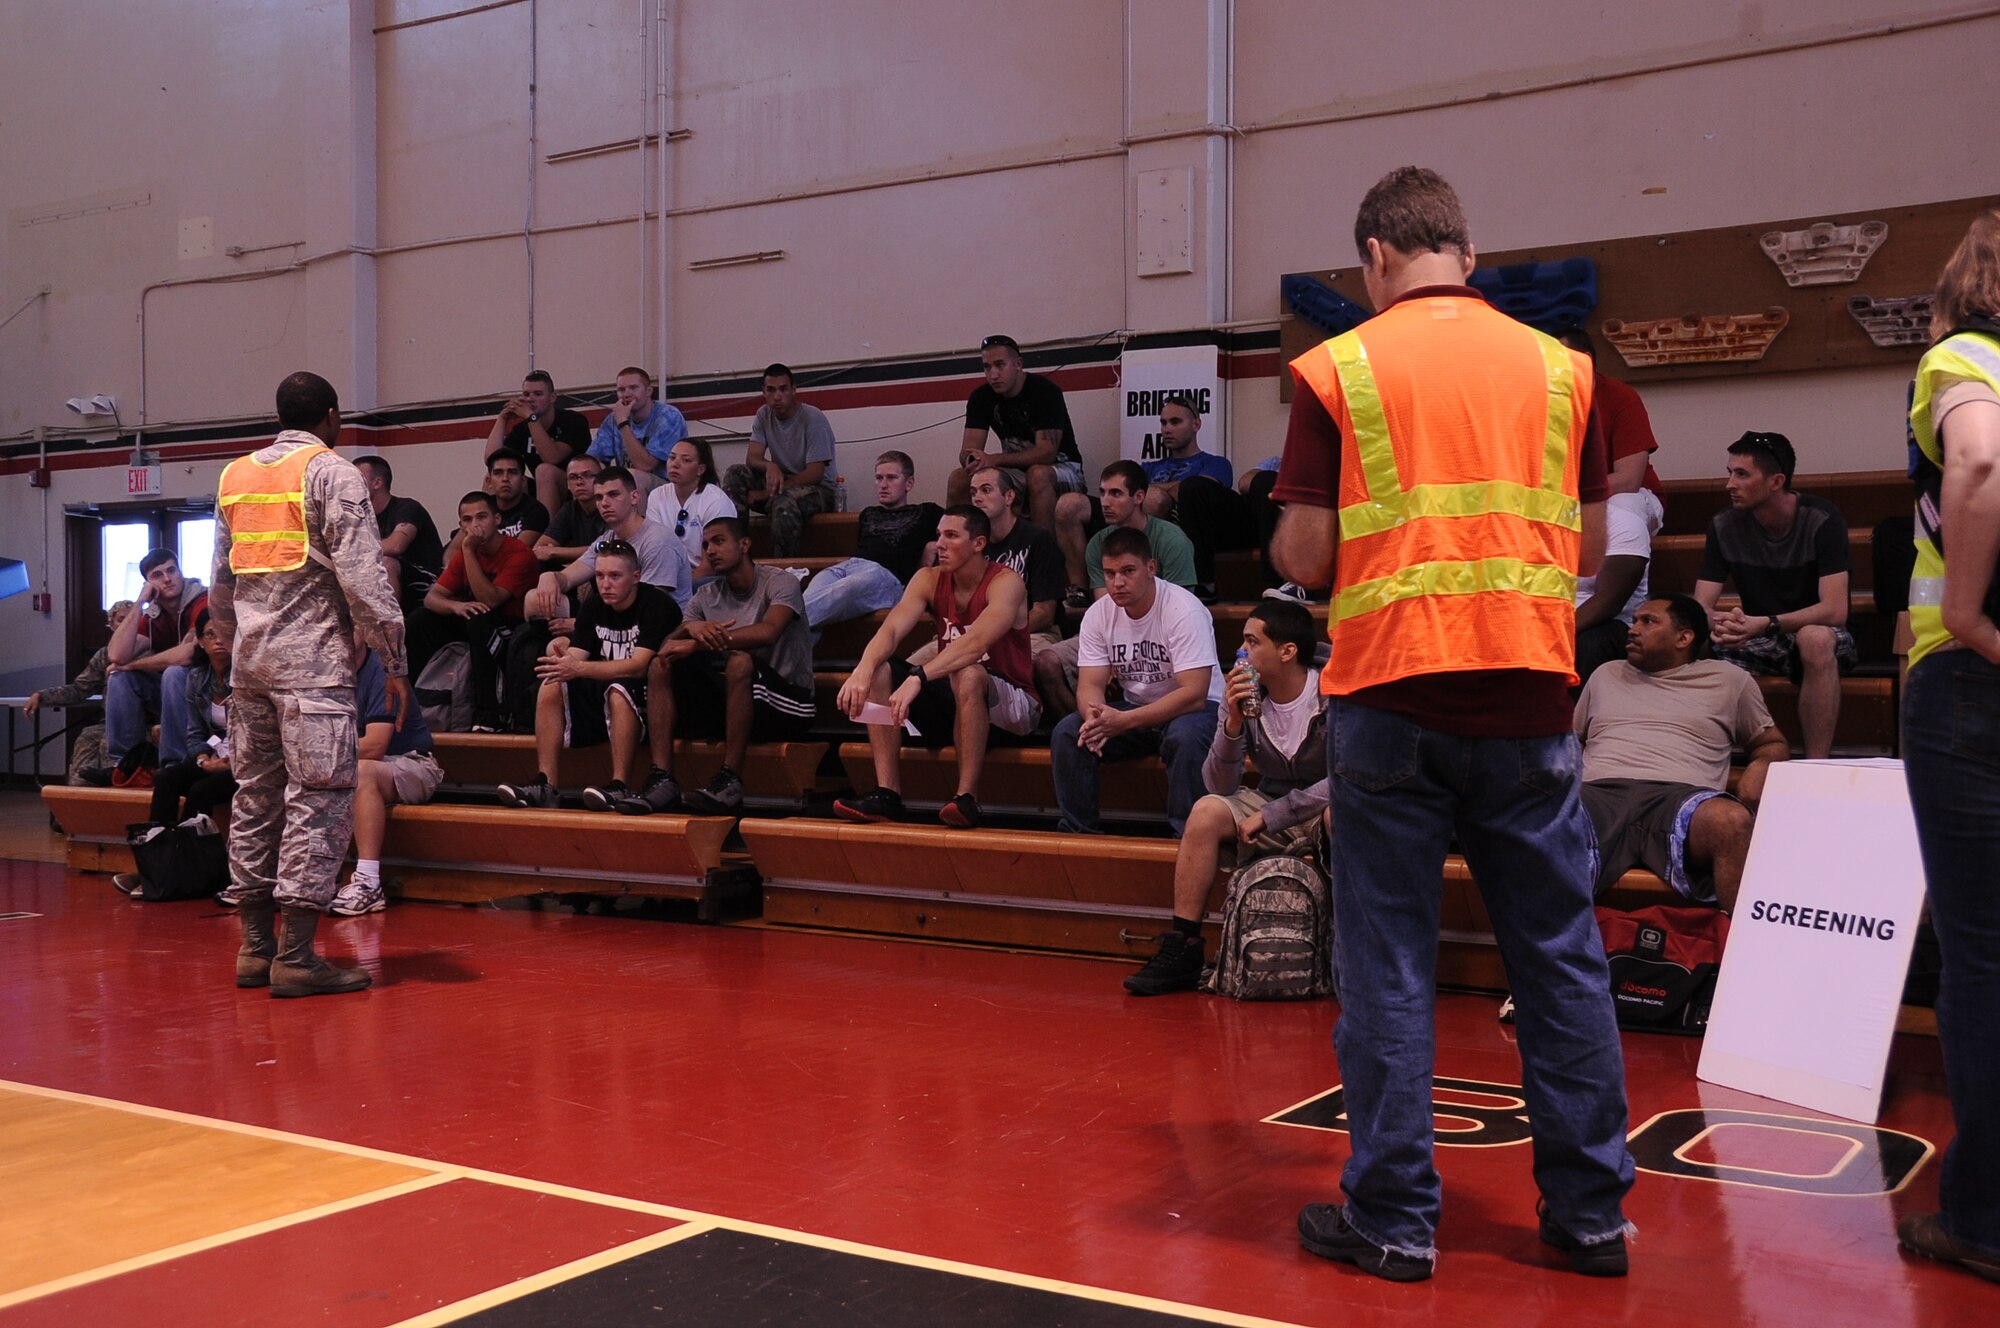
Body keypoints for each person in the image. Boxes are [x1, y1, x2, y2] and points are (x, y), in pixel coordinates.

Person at [1272, 167, 1631, 1281]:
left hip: (1390, 697)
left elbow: (1305, 557)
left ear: (1374, 259)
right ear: (1464, 255)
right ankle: (1587, 1219)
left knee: (1388, 963)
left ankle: (1391, 1219)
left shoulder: (1337, 368)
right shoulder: (1566, 371)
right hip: (1527, 693)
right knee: (1560, 960)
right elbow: (1577, 549)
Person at [210, 370, 409, 998]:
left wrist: (231, 648)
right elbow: (366, 582)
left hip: (250, 670)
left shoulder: (235, 475)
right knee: (317, 804)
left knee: (255, 800)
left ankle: (253, 949)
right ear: (330, 416)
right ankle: (296, 957)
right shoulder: (330, 471)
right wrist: (395, 662)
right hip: (314, 674)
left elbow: (220, 584)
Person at [1896, 206, 2000, 1284]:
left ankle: (1981, 1216)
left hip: (1973, 681)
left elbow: (1975, 464)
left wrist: (1966, 613)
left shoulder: (1962, 357)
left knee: (1982, 955)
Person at [1123, 598, 1327, 995]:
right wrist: (1232, 725)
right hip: (1271, 801)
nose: (1241, 653)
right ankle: (1184, 945)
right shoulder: (1244, 695)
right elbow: (1218, 784)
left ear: (1287, 651)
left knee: (1348, 813)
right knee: (1205, 811)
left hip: (1324, 804)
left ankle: (1352, 948)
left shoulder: (1333, 693)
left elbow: (1344, 778)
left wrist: (1273, 815)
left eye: (1252, 643)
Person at [1575, 595, 1788, 913]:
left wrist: (1761, 766)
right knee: (1539, 820)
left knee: (1730, 821)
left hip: (1681, 798)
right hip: (1600, 794)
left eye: (1648, 621)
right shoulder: (1605, 674)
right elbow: (1569, 739)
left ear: (1684, 637)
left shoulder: (1729, 681)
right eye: (1634, 621)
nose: (1633, 630)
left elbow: (1771, 743)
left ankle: (1739, 952)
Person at [832, 505, 1038, 829]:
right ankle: (888, 794)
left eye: (951, 536)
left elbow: (977, 643)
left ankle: (966, 799)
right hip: (957, 699)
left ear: (979, 543)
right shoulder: (928, 578)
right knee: (880, 670)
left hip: (1014, 707)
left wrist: (920, 676)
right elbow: (892, 630)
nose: (939, 543)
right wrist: (862, 669)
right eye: (939, 535)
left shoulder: (1006, 582)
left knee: (967, 672)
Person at [614, 517, 815, 815]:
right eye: (706, 544)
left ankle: (730, 778)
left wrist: (697, 642)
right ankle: (662, 778)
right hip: (737, 702)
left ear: (744, 544)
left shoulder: (779, 581)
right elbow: (668, 645)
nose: (710, 550)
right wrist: (690, 630)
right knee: (661, 665)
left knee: (739, 662)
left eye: (719, 541)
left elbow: (769, 631)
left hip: (788, 703)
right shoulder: (705, 595)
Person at [1693, 430, 1856, 758]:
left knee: (1816, 638)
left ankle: (1816, 765)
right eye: (1730, 473)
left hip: (1813, 634)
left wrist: (1764, 623)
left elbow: (1835, 610)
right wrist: (1722, 624)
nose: (1730, 484)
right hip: (1758, 636)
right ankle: (1702, 761)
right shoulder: (1724, 526)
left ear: (1776, 481)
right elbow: (1699, 607)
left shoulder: (1821, 519)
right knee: (1687, 638)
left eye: (1742, 474)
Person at [1051, 526, 1220, 836]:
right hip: (1135, 707)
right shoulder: (1099, 614)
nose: (1117, 582)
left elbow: (1194, 693)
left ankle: (1189, 838)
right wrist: (1095, 718)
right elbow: (1090, 683)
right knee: (1068, 733)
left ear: (1151, 568)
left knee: (1186, 737)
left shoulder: (1183, 609)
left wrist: (1123, 721)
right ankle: (1079, 836)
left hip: (1196, 709)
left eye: (1128, 571)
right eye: (1110, 573)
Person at [496, 542, 680, 812]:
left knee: (619, 689)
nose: (605, 584)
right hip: (604, 685)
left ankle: (619, 785)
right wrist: (563, 656)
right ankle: (546, 784)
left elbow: (638, 666)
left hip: (651, 694)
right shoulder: (595, 604)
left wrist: (578, 668)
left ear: (636, 576)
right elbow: (576, 657)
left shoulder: (656, 604)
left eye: (615, 576)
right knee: (553, 681)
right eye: (600, 576)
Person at [1036, 462, 1198, 719]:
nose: (1105, 502)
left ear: (1139, 497)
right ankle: (1089, 726)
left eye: (1115, 493)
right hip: (1115, 632)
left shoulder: (1172, 539)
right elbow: (1107, 604)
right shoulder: (1098, 543)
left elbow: (1181, 605)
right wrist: (1111, 653)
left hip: (1161, 634)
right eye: (1102, 493)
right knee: (1046, 662)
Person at [111, 610, 239, 897]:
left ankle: (187, 872)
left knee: (200, 791)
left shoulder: (245, 677)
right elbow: (195, 733)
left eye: (224, 634)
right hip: (214, 757)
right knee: (167, 778)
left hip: (246, 761)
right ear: (201, 643)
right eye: (210, 634)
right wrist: (203, 760)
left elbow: (255, 733)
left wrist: (226, 763)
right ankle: (154, 868)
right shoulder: (197, 679)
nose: (218, 641)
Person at [408, 492, 542, 732]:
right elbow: (432, 598)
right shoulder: (465, 553)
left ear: (497, 519)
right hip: (477, 620)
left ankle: (489, 714)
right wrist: (456, 606)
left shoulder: (520, 554)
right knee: (420, 620)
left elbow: (491, 600)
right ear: (460, 525)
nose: (475, 525)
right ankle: (414, 704)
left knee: (477, 618)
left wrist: (468, 551)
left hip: (513, 629)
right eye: (467, 520)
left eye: (482, 517)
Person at [330, 638, 442, 916]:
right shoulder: (326, 674)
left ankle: (368, 882)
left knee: (363, 771)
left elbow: (376, 746)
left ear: (364, 632)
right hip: (350, 762)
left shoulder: (381, 671)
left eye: (352, 622)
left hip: (412, 762)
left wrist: (318, 752)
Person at [947, 334, 1085, 531]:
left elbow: (1046, 453)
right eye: (987, 367)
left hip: (1063, 467)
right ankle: (960, 549)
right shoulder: (980, 397)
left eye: (1000, 365)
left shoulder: (1045, 391)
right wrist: (974, 460)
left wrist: (994, 460)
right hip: (1016, 471)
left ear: (1018, 364)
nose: (993, 375)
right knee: (959, 478)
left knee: (1038, 474)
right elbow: (967, 451)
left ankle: (1042, 554)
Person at [523, 466, 692, 622]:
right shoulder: (607, 539)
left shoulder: (658, 540)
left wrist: (583, 625)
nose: (604, 503)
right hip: (615, 618)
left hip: (656, 627)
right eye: (599, 497)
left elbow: (649, 606)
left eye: (613, 494)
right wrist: (549, 577)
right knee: (534, 599)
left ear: (634, 497)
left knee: (559, 644)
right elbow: (568, 578)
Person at [803, 450, 942, 634]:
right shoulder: (869, 513)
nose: (883, 485)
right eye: (878, 478)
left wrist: (933, 546)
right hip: (849, 567)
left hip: (887, 577)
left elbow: (964, 524)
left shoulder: (928, 512)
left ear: (909, 483)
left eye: (891, 478)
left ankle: (774, 625)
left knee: (845, 590)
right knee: (813, 600)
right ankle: (780, 655)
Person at [103, 549, 208, 770]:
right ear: (148, 583)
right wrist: (140, 601)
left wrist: (131, 665)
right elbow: (116, 654)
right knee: (118, 676)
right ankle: (124, 765)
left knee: (173, 672)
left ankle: (175, 764)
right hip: (169, 695)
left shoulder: (201, 600)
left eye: (171, 570)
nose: (167, 579)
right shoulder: (152, 613)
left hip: (205, 693)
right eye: (157, 575)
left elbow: (185, 655)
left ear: (180, 572)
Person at [1143, 393, 1254, 601]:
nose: (1167, 429)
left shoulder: (1216, 463)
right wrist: (1169, 491)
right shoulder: (1148, 468)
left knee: (1193, 488)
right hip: (1159, 538)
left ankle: (1203, 582)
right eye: (1164, 423)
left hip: (1210, 534)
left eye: (1175, 422)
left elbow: (1199, 493)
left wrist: (1157, 491)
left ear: (1196, 424)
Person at [722, 363, 838, 557]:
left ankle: (783, 573)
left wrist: (767, 493)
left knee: (783, 503)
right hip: (781, 485)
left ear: (793, 390)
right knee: (735, 474)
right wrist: (770, 465)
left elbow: (815, 473)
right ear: (763, 392)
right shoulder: (763, 414)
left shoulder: (813, 418)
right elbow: (752, 457)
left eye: (783, 389)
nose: (777, 396)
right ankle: (738, 554)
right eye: (771, 390)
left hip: (820, 491)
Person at [24, 599, 132, 784]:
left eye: (132, 619)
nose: (127, 624)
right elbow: (79, 688)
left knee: (109, 746)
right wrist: (42, 695)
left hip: (140, 724)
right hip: (105, 724)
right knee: (86, 739)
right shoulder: (104, 656)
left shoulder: (151, 651)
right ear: (112, 626)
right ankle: (78, 803)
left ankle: (115, 805)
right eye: (121, 620)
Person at [967, 468, 1064, 654]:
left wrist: (989, 636)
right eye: (973, 492)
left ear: (1009, 497)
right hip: (979, 635)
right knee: (917, 665)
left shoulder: (1037, 538)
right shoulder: (973, 545)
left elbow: (1044, 613)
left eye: (986, 490)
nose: (977, 498)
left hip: (1034, 633)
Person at [1573, 490, 1659, 685]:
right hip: (1548, 619)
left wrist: (1553, 634)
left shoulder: (1622, 522)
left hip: (1609, 624)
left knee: (1588, 645)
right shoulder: (1535, 521)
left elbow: (1608, 601)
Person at [486, 369, 594, 515]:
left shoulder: (573, 421)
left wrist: (531, 418)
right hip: (539, 488)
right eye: (526, 394)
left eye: (538, 394)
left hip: (573, 485)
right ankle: (493, 529)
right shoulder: (522, 429)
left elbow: (551, 457)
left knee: (544, 471)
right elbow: (491, 459)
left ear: (552, 397)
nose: (530, 399)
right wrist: (502, 419)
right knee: (493, 477)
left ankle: (547, 532)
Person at [353, 455, 443, 611]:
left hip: (426, 584)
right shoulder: (359, 517)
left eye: (356, 478)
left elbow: (396, 545)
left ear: (377, 483)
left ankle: (391, 630)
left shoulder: (407, 508)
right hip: (391, 585)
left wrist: (353, 549)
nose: (349, 484)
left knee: (386, 562)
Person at [587, 365, 686, 495]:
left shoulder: (668, 416)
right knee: (586, 477)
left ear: (648, 391)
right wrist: (597, 470)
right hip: (625, 485)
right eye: (621, 390)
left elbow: (646, 465)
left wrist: (623, 423)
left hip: (668, 487)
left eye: (633, 388)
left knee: (632, 478)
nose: (627, 394)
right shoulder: (612, 419)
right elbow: (591, 459)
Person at [646, 437, 736, 577]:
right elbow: (656, 550)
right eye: (672, 458)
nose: (674, 464)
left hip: (710, 577)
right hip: (669, 576)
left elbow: (712, 565)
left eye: (685, 460)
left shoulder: (715, 501)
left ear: (700, 469)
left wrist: (681, 588)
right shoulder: (657, 496)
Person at [532, 454, 607, 568]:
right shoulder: (569, 508)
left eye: (587, 475)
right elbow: (540, 548)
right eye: (573, 477)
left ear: (601, 480)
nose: (579, 482)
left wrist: (555, 552)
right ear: (567, 484)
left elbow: (606, 548)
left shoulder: (610, 506)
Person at [482, 447, 550, 546]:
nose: (505, 479)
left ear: (523, 481)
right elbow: (454, 547)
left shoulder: (536, 511)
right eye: (498, 473)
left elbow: (516, 552)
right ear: (489, 481)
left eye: (512, 472)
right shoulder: (482, 507)